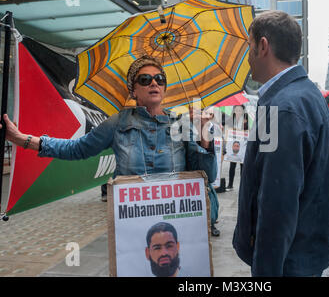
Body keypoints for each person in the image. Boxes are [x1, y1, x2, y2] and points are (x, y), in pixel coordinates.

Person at [1, 55, 220, 236]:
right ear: (133, 90)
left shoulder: (181, 125)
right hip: (132, 227)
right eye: (145, 79)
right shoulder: (118, 123)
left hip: (176, 226)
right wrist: (23, 140)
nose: (154, 83)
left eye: (159, 79)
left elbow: (207, 175)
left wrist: (203, 133)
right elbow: (76, 149)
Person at [232, 11, 329, 276]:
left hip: (287, 265)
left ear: (263, 46)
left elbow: (277, 207)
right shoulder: (304, 94)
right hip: (301, 257)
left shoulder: (280, 109)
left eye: (249, 46)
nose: (247, 57)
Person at [224, 105, 248, 189]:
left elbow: (248, 133)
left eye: (240, 110)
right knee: (232, 165)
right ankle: (230, 185)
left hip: (242, 147)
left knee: (242, 167)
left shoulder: (246, 120)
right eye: (236, 110)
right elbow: (226, 127)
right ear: (234, 111)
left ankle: (243, 186)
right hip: (233, 145)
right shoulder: (231, 120)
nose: (238, 112)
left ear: (243, 111)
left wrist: (245, 125)